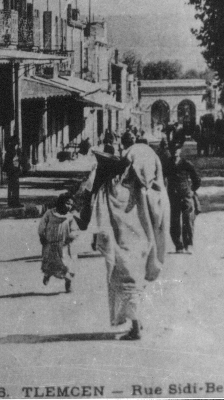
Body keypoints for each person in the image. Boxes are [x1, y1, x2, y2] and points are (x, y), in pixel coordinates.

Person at [80, 142, 168, 341]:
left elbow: (100, 208)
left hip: (124, 247)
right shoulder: (145, 192)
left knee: (128, 285)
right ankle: (137, 322)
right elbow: (156, 214)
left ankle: (136, 327)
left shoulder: (116, 189)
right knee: (134, 284)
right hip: (140, 245)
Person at [38, 193, 80, 293]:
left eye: (71, 204)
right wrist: (42, 236)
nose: (69, 206)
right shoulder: (49, 213)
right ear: (61, 202)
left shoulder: (70, 217)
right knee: (50, 263)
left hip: (64, 245)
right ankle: (47, 274)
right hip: (50, 243)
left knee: (66, 265)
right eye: (67, 203)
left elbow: (75, 229)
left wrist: (72, 236)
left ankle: (68, 282)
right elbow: (42, 225)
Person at [167, 146, 201, 254]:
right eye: (173, 149)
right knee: (175, 220)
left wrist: (192, 190)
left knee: (188, 220)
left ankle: (188, 244)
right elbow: (160, 177)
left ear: (180, 151)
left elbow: (197, 180)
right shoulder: (167, 164)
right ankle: (178, 245)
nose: (175, 151)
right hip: (173, 195)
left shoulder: (186, 164)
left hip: (186, 195)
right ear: (170, 150)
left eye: (177, 149)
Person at [4, 136, 22, 208]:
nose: (17, 143)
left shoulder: (13, 150)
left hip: (13, 170)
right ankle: (13, 202)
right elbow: (11, 161)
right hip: (12, 171)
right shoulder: (11, 151)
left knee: (13, 187)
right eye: (16, 142)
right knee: (13, 186)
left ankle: (13, 202)